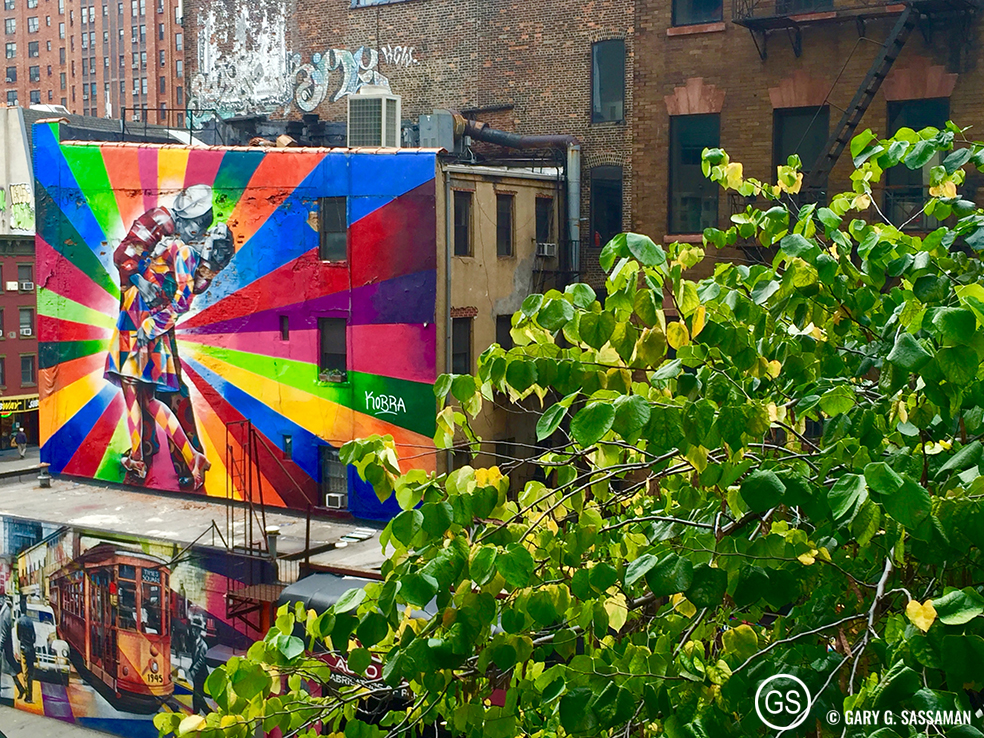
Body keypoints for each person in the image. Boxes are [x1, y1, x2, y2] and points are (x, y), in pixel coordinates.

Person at [105, 185, 234, 488]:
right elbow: (126, 256)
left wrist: (152, 324)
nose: (194, 232)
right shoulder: (168, 233)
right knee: (143, 394)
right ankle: (166, 456)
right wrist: (142, 281)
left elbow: (184, 297)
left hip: (143, 321)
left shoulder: (183, 249)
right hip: (139, 316)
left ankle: (154, 456)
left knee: (137, 390)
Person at [14, 598, 34, 703]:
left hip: (23, 649)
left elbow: (18, 637)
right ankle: (30, 695)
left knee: (25, 673)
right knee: (30, 673)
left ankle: (27, 696)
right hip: (31, 648)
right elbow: (34, 637)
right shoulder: (30, 621)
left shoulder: (19, 621)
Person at [188, 622, 209, 715]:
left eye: (195, 630)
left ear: (199, 631)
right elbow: (194, 659)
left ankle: (207, 712)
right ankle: (196, 712)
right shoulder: (195, 643)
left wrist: (193, 670)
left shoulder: (203, 645)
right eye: (193, 629)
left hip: (201, 674)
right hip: (197, 675)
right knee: (196, 694)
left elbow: (201, 661)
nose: (193, 631)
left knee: (197, 695)